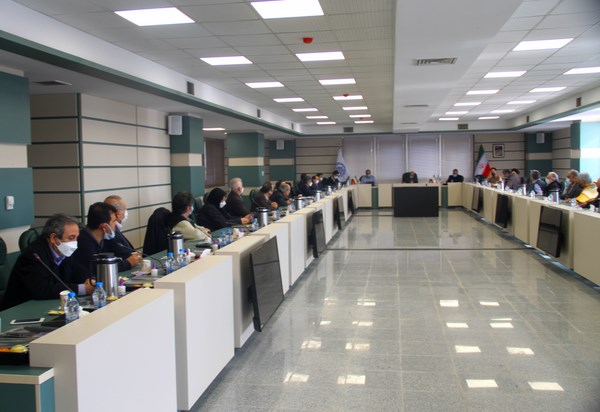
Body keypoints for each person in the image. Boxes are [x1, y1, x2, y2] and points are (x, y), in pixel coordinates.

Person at [0, 214, 94, 311]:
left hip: (47, 305)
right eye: (71, 238)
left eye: (76, 238)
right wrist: (82, 289)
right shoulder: (34, 255)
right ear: (53, 238)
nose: (75, 243)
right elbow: (42, 289)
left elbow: (77, 269)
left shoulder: (63, 250)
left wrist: (89, 280)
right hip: (20, 310)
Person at [72, 202, 134, 274]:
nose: (115, 224)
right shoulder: (83, 241)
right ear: (104, 227)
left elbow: (124, 254)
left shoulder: (106, 237)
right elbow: (97, 268)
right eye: (114, 221)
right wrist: (128, 263)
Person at [104, 195, 142, 270]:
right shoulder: (111, 233)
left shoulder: (115, 229)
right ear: (118, 213)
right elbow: (127, 255)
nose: (126, 212)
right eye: (125, 209)